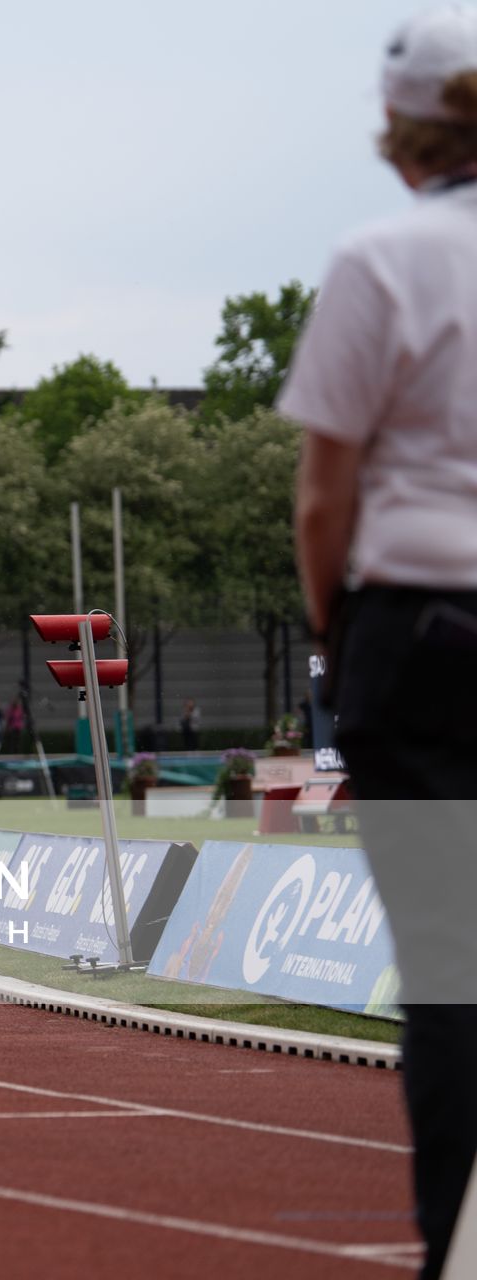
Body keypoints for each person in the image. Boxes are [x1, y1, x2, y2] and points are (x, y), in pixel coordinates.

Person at [284, 11, 477, 1275]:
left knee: (452, 962)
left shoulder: (383, 259)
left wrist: (335, 627)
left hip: (425, 632)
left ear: (398, 131)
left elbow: (324, 494)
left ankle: (457, 1242)